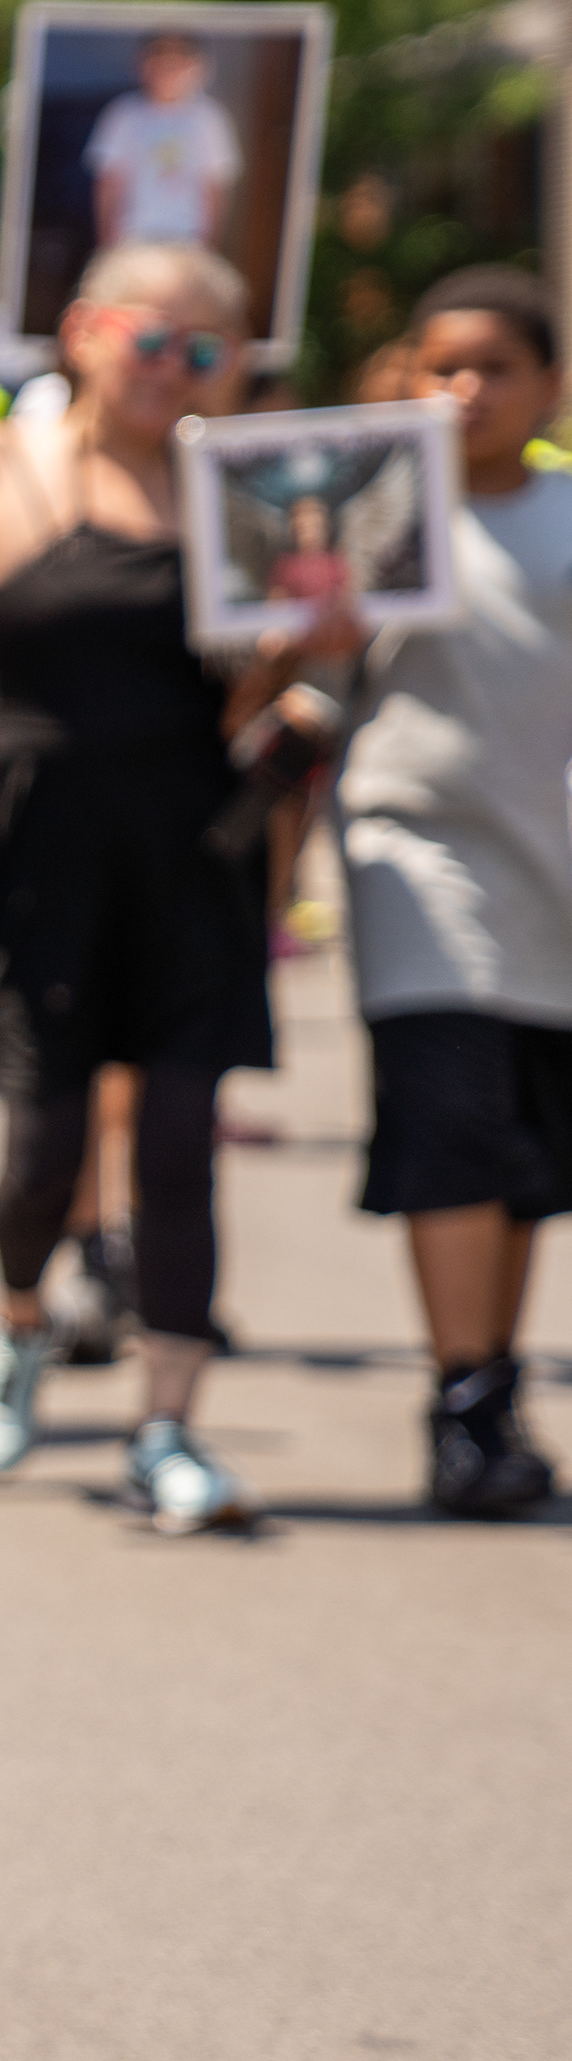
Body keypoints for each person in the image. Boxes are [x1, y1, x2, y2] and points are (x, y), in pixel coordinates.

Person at [0, 240, 328, 1533]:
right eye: (156, 341)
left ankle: (169, 1426)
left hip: (197, 848)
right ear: (84, 331)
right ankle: (18, 1328)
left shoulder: (244, 493)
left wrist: (307, 647)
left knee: (183, 1142)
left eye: (210, 353)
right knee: (44, 1145)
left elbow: (257, 699)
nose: (176, 374)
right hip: (45, 852)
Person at [334, 267, 569, 1516]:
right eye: (442, 366)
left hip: (555, 880)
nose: (465, 389)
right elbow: (296, 686)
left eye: (494, 367)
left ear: (551, 386)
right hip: (416, 859)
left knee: (526, 1150)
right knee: (452, 1123)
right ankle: (459, 1392)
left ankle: (489, 1393)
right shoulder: (374, 517)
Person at [89, 29, 241, 251]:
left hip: (188, 238)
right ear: (142, 64)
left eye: (178, 59)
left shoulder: (209, 117)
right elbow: (108, 183)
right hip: (132, 237)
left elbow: (215, 186)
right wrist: (107, 242)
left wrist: (209, 246)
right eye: (158, 57)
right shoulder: (123, 114)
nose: (168, 67)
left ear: (199, 67)